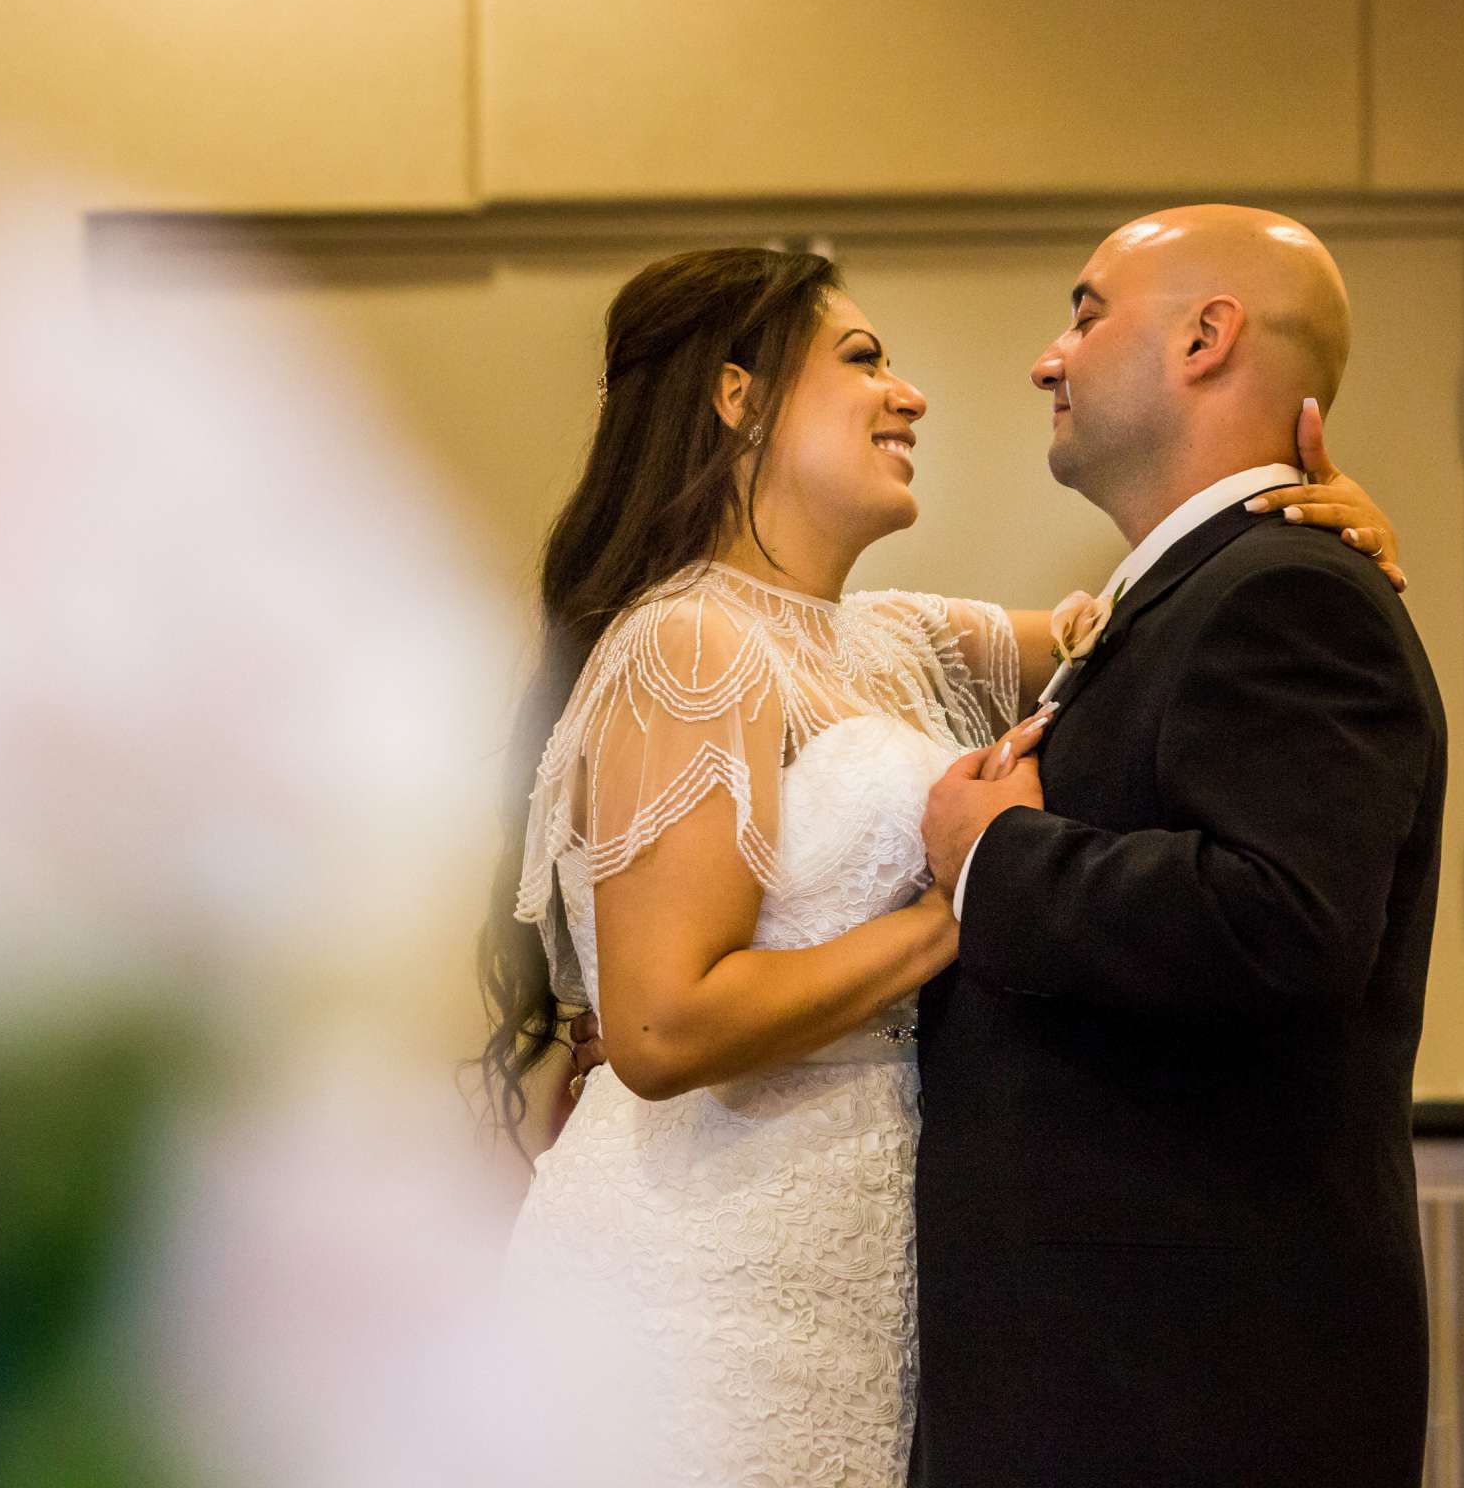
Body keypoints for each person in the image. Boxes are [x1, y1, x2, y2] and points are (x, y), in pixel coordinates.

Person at [481, 243, 1404, 1484]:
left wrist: (1311, 517)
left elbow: (1154, 627)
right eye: (863, 360)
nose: (909, 393)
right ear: (735, 396)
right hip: (706, 1281)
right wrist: (952, 910)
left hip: (867, 1296)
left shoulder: (904, 639)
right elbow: (656, 1025)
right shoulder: (686, 647)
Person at [913, 206, 1444, 1485]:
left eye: (1088, 312)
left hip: (1188, 1388)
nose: (1051, 357)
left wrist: (998, 857)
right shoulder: (1193, 592)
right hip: (1120, 1377)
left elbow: (1286, 920)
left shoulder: (1286, 592)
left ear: (1208, 338)